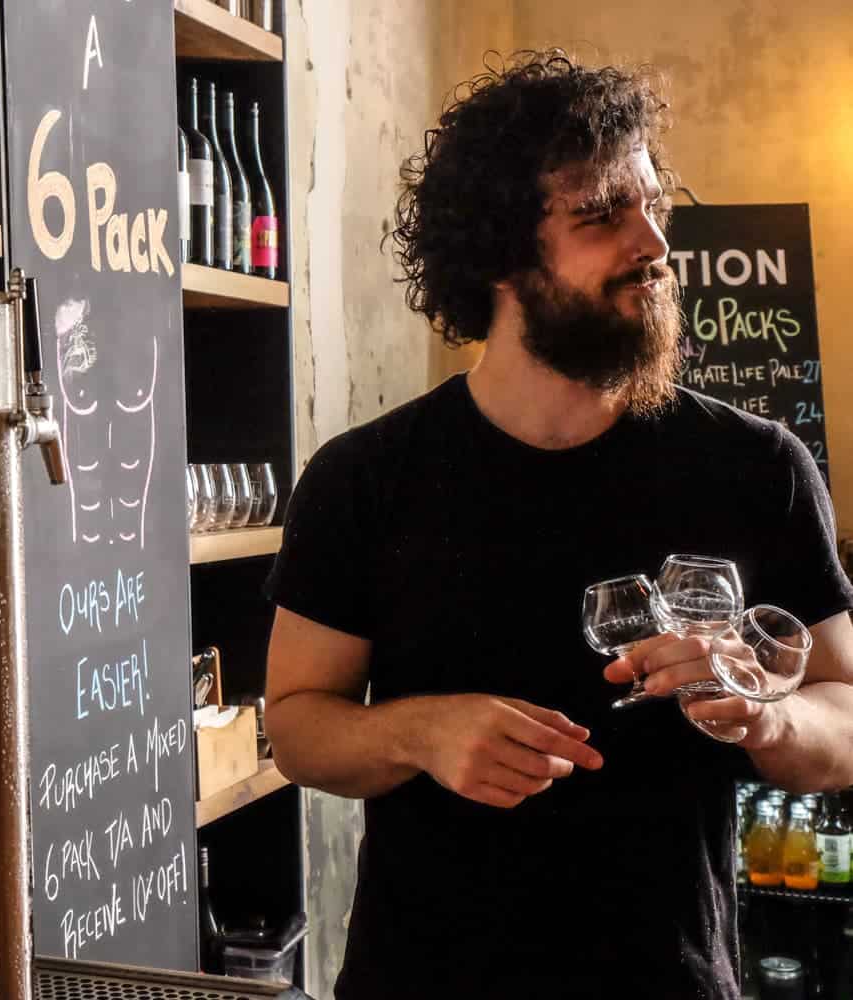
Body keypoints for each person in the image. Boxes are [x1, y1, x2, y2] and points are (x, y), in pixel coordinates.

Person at [262, 50, 853, 999]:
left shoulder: (755, 467)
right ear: (500, 255)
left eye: (652, 205)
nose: (654, 243)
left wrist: (764, 716)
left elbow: (846, 718)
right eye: (602, 216)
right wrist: (421, 733)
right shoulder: (366, 479)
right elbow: (296, 728)